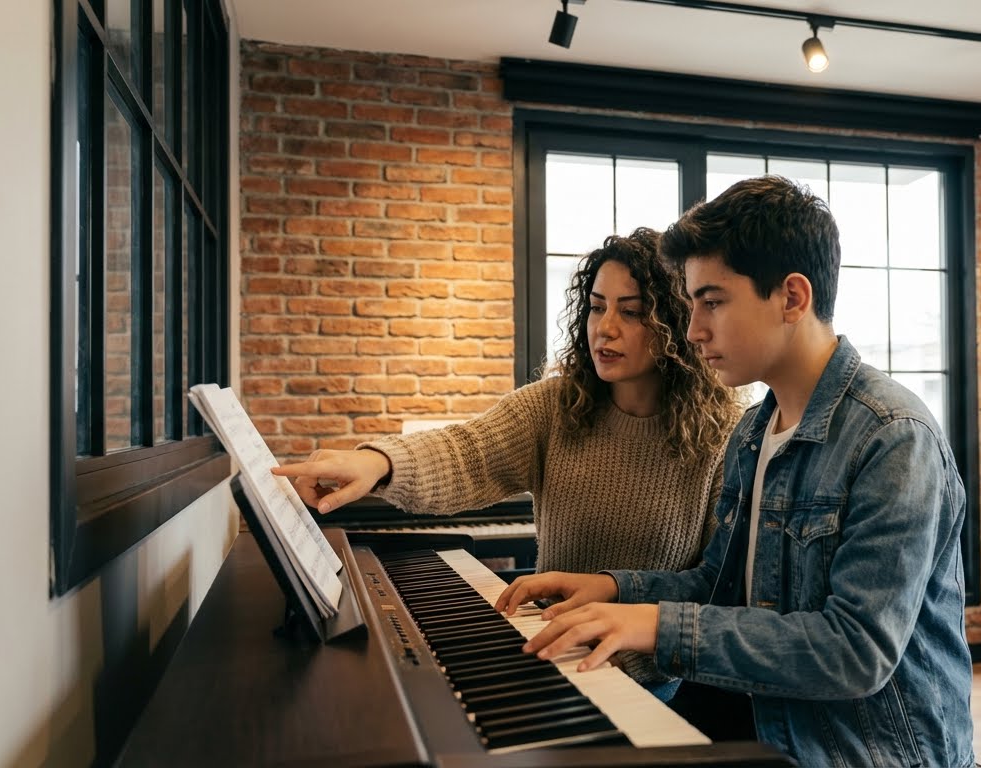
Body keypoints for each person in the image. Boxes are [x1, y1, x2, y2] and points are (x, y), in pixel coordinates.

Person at [493, 176, 975, 767]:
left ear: (792, 298)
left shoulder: (893, 437)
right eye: (691, 303)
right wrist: (615, 590)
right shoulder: (753, 431)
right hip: (769, 730)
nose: (692, 329)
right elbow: (720, 588)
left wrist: (656, 625)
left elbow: (855, 652)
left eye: (712, 302)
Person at [272, 227, 741, 693]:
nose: (605, 327)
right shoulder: (556, 406)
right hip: (549, 652)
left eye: (633, 312)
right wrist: (377, 462)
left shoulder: (727, 435)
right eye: (597, 307)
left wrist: (620, 606)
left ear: (676, 324)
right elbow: (466, 450)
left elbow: (713, 588)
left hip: (645, 680)